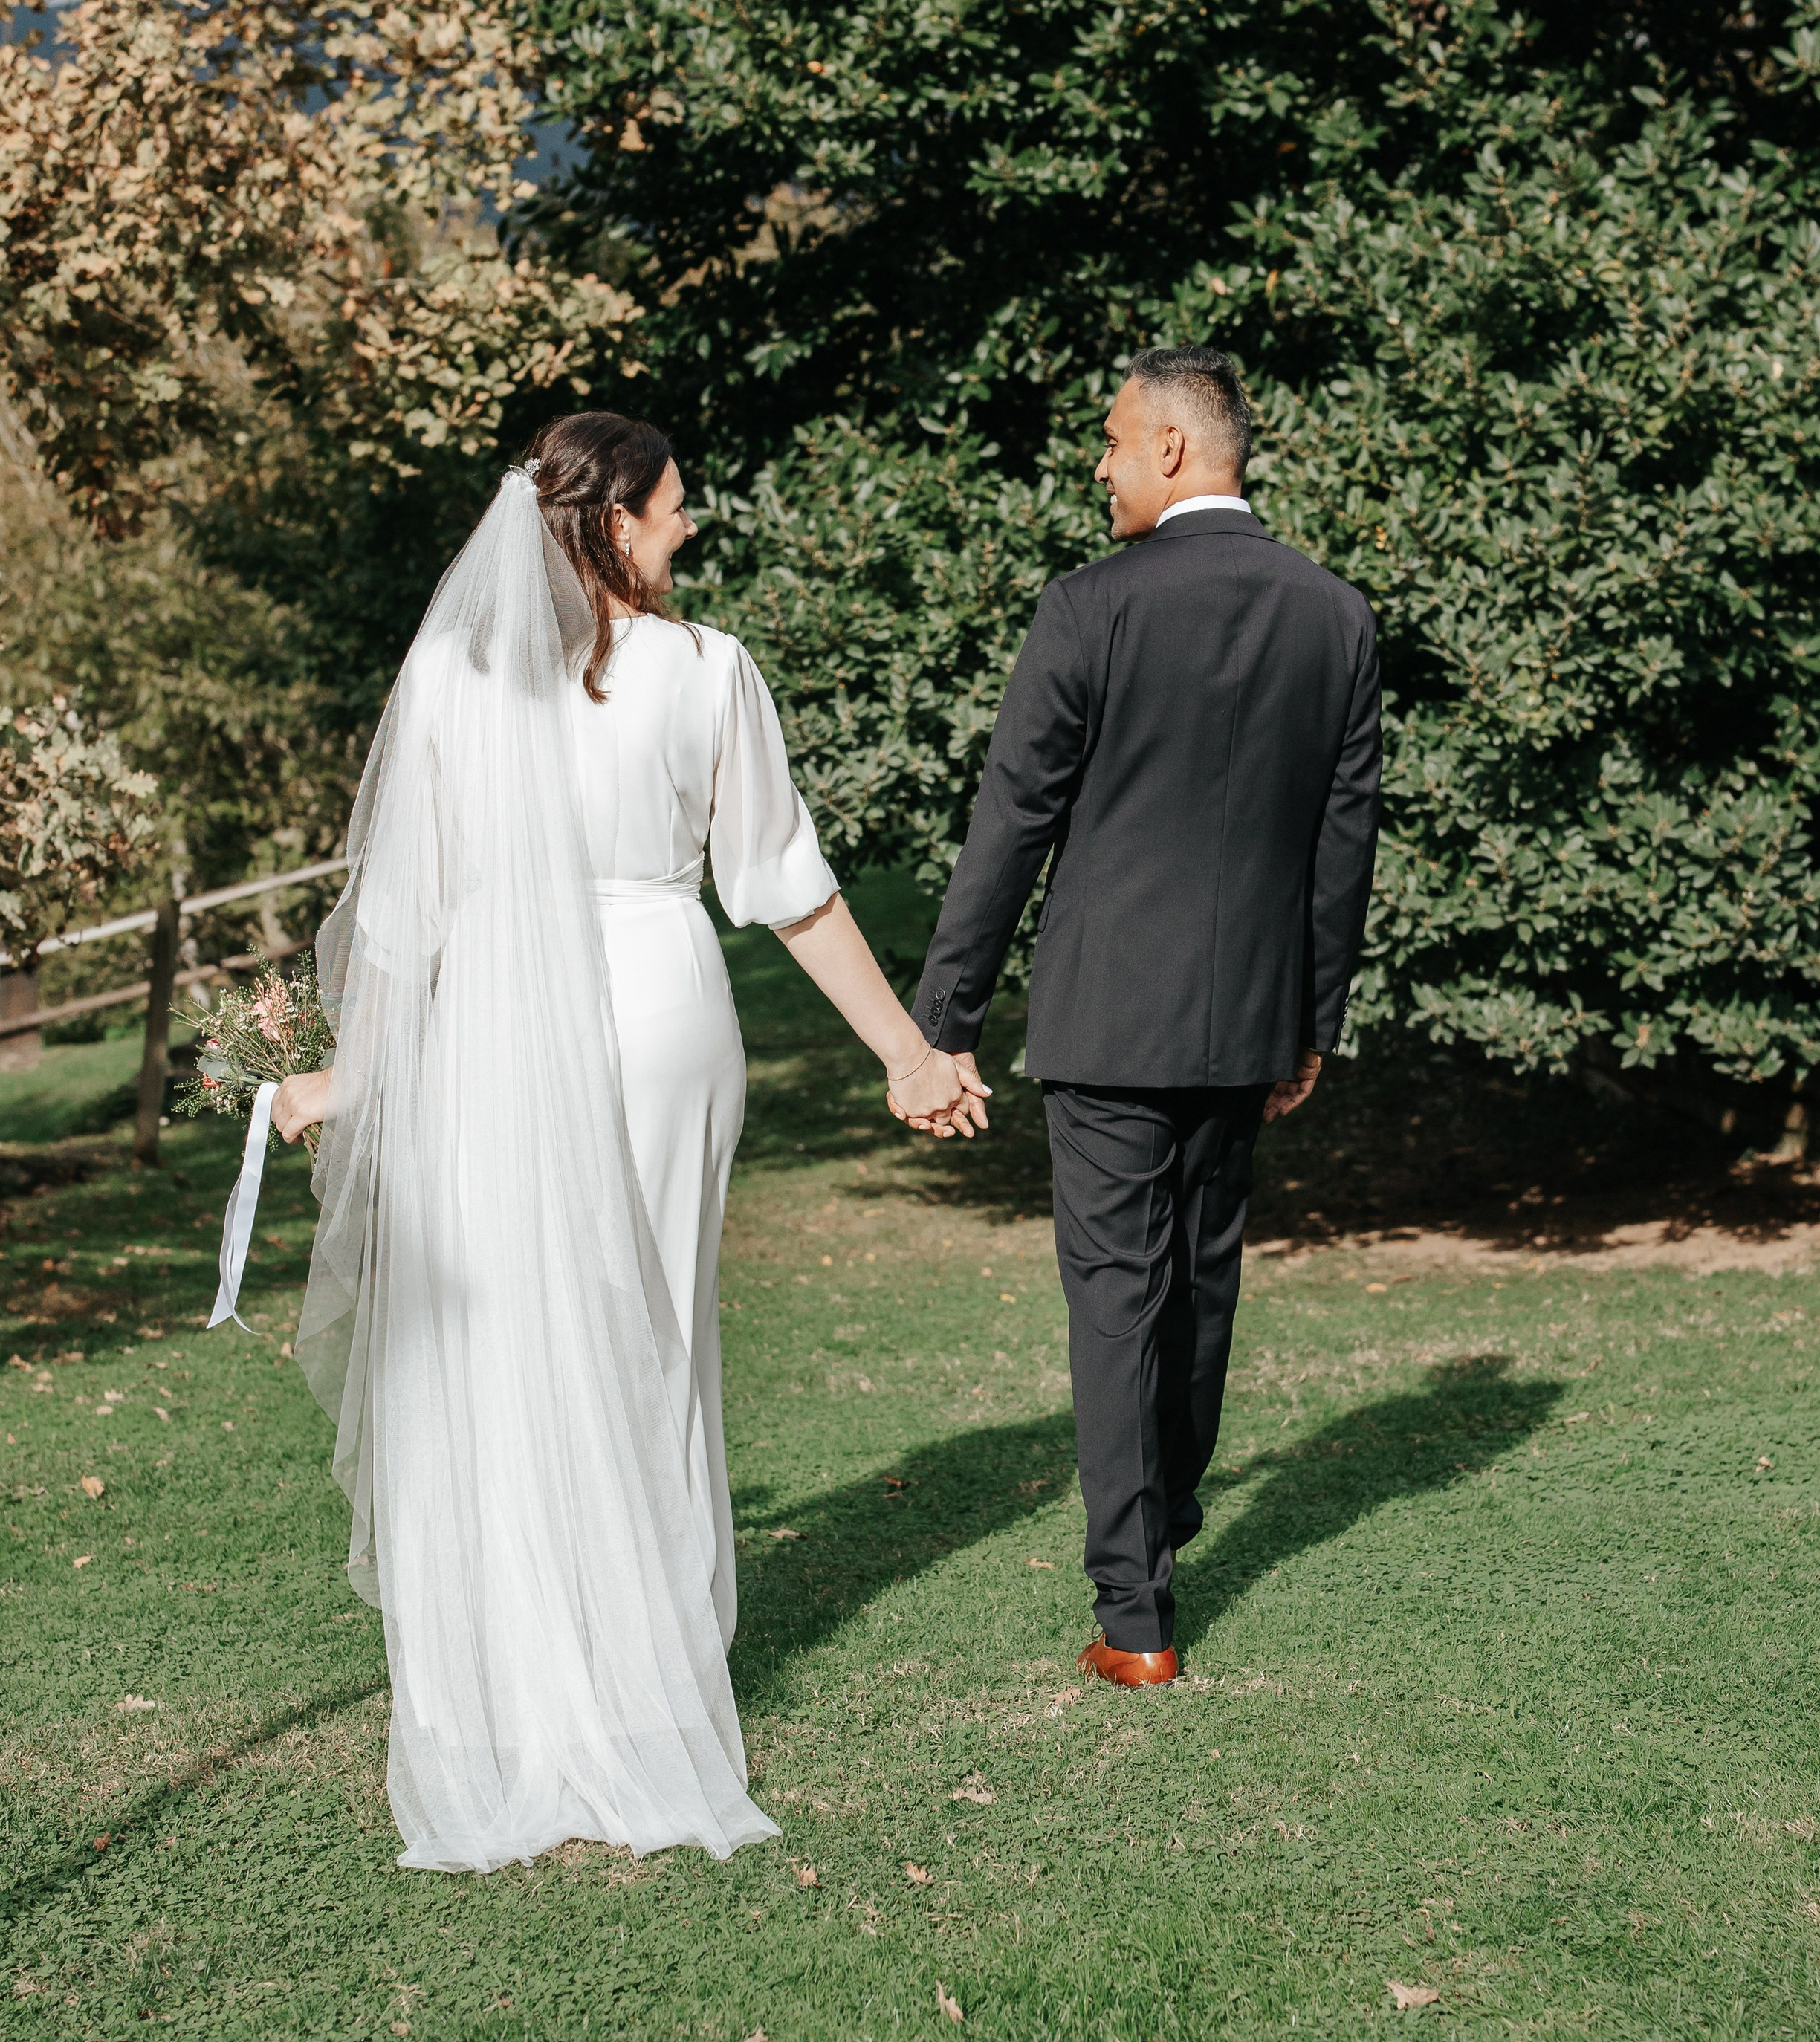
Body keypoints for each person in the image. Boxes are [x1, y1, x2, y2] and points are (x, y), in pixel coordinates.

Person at [273, 414, 971, 1870]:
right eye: (669, 509)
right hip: (660, 1007)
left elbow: (400, 922)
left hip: (492, 1030)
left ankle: (523, 1704)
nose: (688, 528)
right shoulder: (706, 672)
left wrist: (358, 1071)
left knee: (512, 1353)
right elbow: (785, 887)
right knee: (659, 1347)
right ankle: (650, 1698)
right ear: (610, 523)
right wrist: (902, 1051)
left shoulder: (449, 678)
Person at [907, 346, 1381, 1688]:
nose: (1099, 467)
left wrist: (945, 1017)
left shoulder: (1089, 607)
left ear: (1173, 449)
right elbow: (1341, 847)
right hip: (1244, 1023)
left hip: (1108, 1019)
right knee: (1203, 1282)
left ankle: (1136, 1618)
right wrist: (1312, 1020)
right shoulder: (1337, 616)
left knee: (1118, 1298)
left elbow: (1012, 823)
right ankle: (1163, 1525)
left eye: (1112, 443)